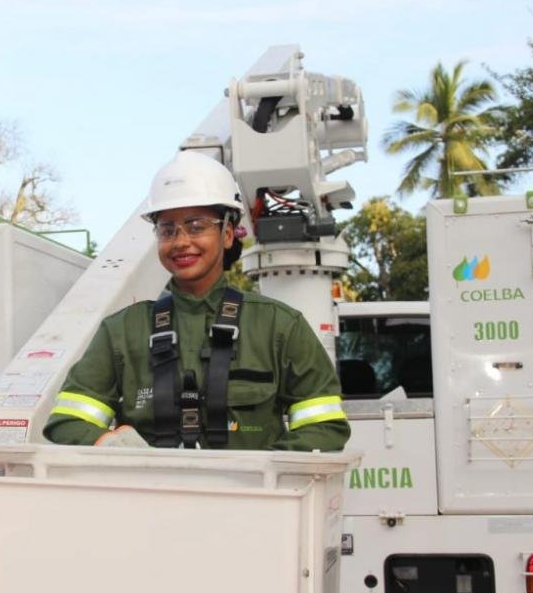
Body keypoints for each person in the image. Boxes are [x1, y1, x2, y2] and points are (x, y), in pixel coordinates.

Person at [43, 150, 350, 451]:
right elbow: (68, 420)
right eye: (167, 230)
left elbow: (324, 427)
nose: (180, 242)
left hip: (252, 498)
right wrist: (107, 443)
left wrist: (264, 472)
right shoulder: (121, 331)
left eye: (196, 226)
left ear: (227, 234)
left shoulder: (280, 326)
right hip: (148, 497)